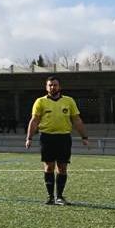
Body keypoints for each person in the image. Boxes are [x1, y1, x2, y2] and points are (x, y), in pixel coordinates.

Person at [25, 76, 89, 206]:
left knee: (62, 167)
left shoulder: (69, 101)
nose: (52, 87)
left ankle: (59, 196)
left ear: (59, 87)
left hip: (64, 137)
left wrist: (84, 137)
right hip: (47, 137)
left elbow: (76, 119)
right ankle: (50, 197)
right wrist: (29, 138)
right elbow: (35, 120)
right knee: (49, 166)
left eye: (55, 85)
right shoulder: (40, 102)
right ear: (46, 87)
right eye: (50, 85)